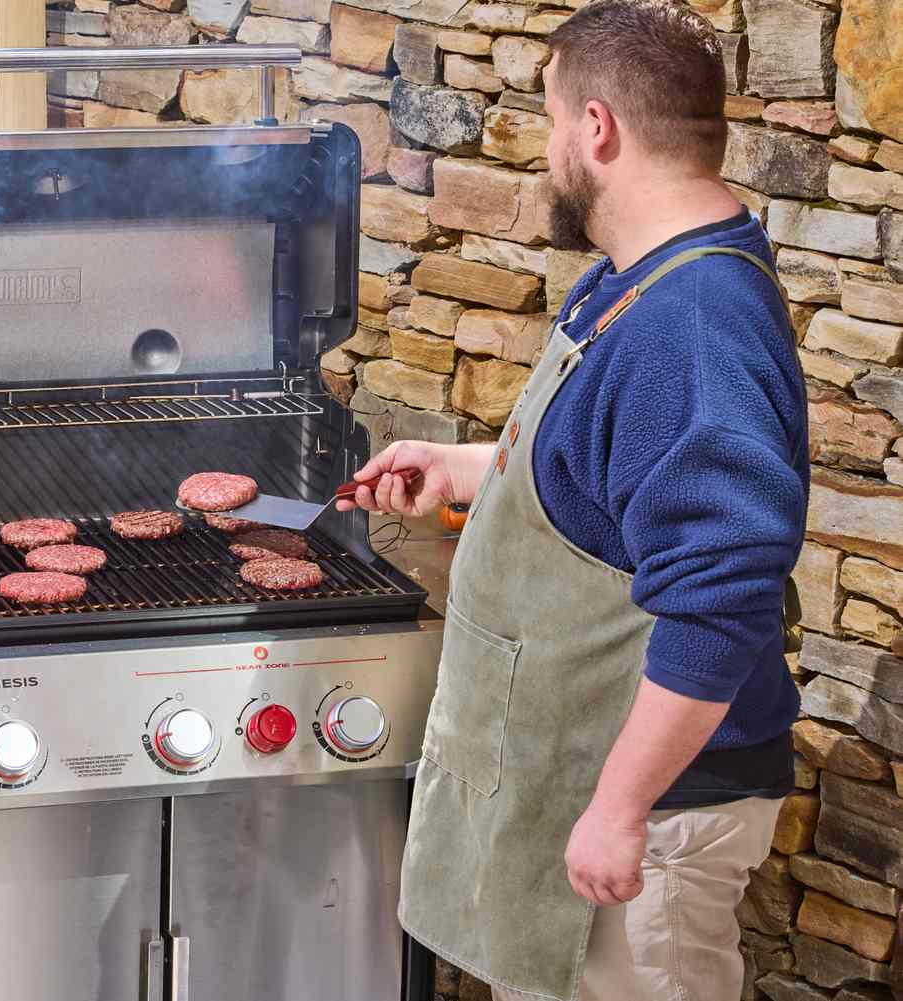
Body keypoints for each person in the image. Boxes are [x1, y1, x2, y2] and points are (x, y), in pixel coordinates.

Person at [339, 2, 809, 998]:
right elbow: (620, 484)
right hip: (594, 784)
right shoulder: (635, 281)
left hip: (654, 809)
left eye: (551, 118)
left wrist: (622, 806)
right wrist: (472, 469)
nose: (547, 148)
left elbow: (722, 598)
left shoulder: (696, 325)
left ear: (597, 128)